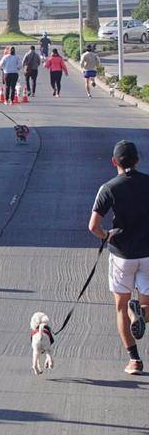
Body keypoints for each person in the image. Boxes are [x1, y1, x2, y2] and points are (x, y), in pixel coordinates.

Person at [87, 140, 149, 375]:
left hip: (122, 255)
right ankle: (140, 313)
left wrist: (106, 235)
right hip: (148, 253)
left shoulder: (109, 188)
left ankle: (134, 361)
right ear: (138, 160)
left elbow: (93, 225)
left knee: (121, 307)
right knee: (146, 306)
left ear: (114, 162)